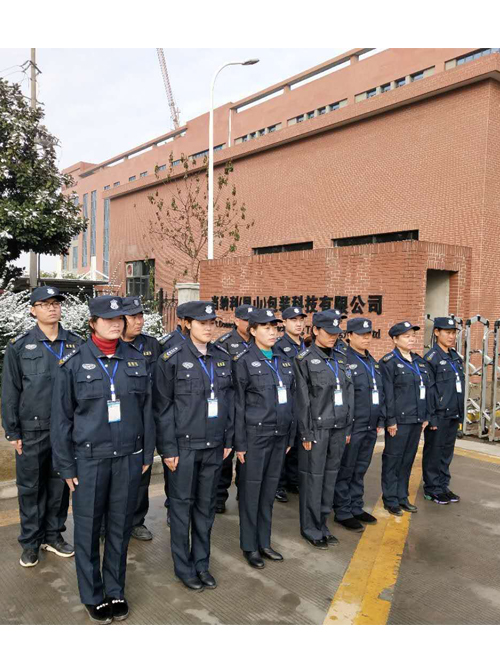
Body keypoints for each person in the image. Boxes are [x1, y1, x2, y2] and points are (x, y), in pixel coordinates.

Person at [51, 295, 155, 624]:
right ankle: (93, 595)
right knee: (87, 529)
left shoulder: (136, 360)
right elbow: (61, 419)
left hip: (127, 457)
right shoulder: (73, 363)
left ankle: (115, 589)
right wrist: (66, 465)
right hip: (89, 460)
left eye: (120, 319)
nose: (115, 324)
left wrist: (146, 453)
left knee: (120, 527)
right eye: (108, 320)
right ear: (92, 323)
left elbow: (147, 410)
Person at [154, 301, 234, 591]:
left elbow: (230, 403)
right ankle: (183, 567)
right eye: (202, 323)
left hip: (214, 446)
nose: (209, 328)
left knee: (206, 507)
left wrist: (228, 439)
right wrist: (168, 449)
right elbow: (162, 409)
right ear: (187, 324)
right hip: (184, 448)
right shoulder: (171, 358)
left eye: (212, 323)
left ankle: (202, 563)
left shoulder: (222, 357)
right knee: (181, 508)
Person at [1, 286, 83, 568]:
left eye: (56, 303)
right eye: (45, 304)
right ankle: (30, 542)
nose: (52, 308)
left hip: (66, 430)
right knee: (30, 487)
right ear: (32, 310)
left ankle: (53, 536)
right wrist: (12, 430)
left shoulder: (75, 344)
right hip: (32, 430)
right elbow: (10, 391)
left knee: (60, 484)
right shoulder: (19, 346)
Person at [233, 309, 295, 569]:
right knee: (251, 492)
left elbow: (293, 399)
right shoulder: (244, 361)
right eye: (266, 328)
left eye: (275, 328)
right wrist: (239, 443)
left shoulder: (283, 360)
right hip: (255, 436)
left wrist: (290, 435)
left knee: (268, 491)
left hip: (279, 436)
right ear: (253, 330)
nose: (272, 332)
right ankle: (250, 546)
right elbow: (237, 405)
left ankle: (264, 542)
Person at [294, 310, 354, 549]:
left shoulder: (341, 358)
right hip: (317, 429)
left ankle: (322, 524)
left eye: (336, 333)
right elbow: (302, 400)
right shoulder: (304, 359)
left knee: (330, 479)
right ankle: (310, 528)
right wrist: (306, 432)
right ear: (316, 330)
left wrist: (347, 426)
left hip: (338, 428)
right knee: (313, 479)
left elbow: (348, 393)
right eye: (328, 332)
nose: (333, 337)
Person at [334, 318, 385, 531]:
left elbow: (380, 392)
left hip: (369, 425)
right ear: (349, 336)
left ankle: (356, 506)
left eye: (368, 334)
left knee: (360, 468)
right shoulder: (343, 360)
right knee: (346, 468)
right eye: (361, 334)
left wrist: (380, 419)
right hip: (353, 426)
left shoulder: (371, 361)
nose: (366, 338)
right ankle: (342, 510)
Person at [121, 296, 163, 541]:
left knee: (142, 473)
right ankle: (108, 524)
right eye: (133, 317)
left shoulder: (152, 345)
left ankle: (137, 521)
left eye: (141, 316)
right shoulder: (111, 344)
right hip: (119, 419)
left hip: (146, 418)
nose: (139, 321)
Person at [379, 321, 431, 516]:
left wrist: (425, 416)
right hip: (399, 422)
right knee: (393, 460)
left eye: (413, 336)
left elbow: (425, 391)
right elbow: (387, 394)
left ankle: (402, 496)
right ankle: (390, 499)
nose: (411, 339)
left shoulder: (418, 361)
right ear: (395, 339)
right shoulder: (389, 362)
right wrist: (390, 420)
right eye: (406, 336)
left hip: (416, 420)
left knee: (407, 460)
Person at [214, 304, 254, 513]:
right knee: (226, 453)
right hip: (231, 403)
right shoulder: (224, 344)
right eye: (246, 320)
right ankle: (220, 496)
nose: (250, 324)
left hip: (252, 406)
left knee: (247, 453)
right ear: (237, 320)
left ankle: (244, 491)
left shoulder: (258, 341)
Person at [423, 317, 465, 505]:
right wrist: (431, 417)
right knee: (434, 452)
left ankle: (442, 486)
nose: (451, 336)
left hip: (453, 413)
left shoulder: (454, 357)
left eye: (454, 333)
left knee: (446, 453)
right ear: (437, 332)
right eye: (448, 332)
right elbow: (429, 391)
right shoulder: (431, 358)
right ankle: (432, 489)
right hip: (439, 415)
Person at [273, 305, 307, 502]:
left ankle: (293, 480)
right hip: (288, 398)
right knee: (284, 444)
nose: (298, 324)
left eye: (301, 320)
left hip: (303, 400)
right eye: (294, 320)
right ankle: (279, 484)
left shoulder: (305, 345)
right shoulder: (279, 346)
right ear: (284, 322)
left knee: (298, 443)